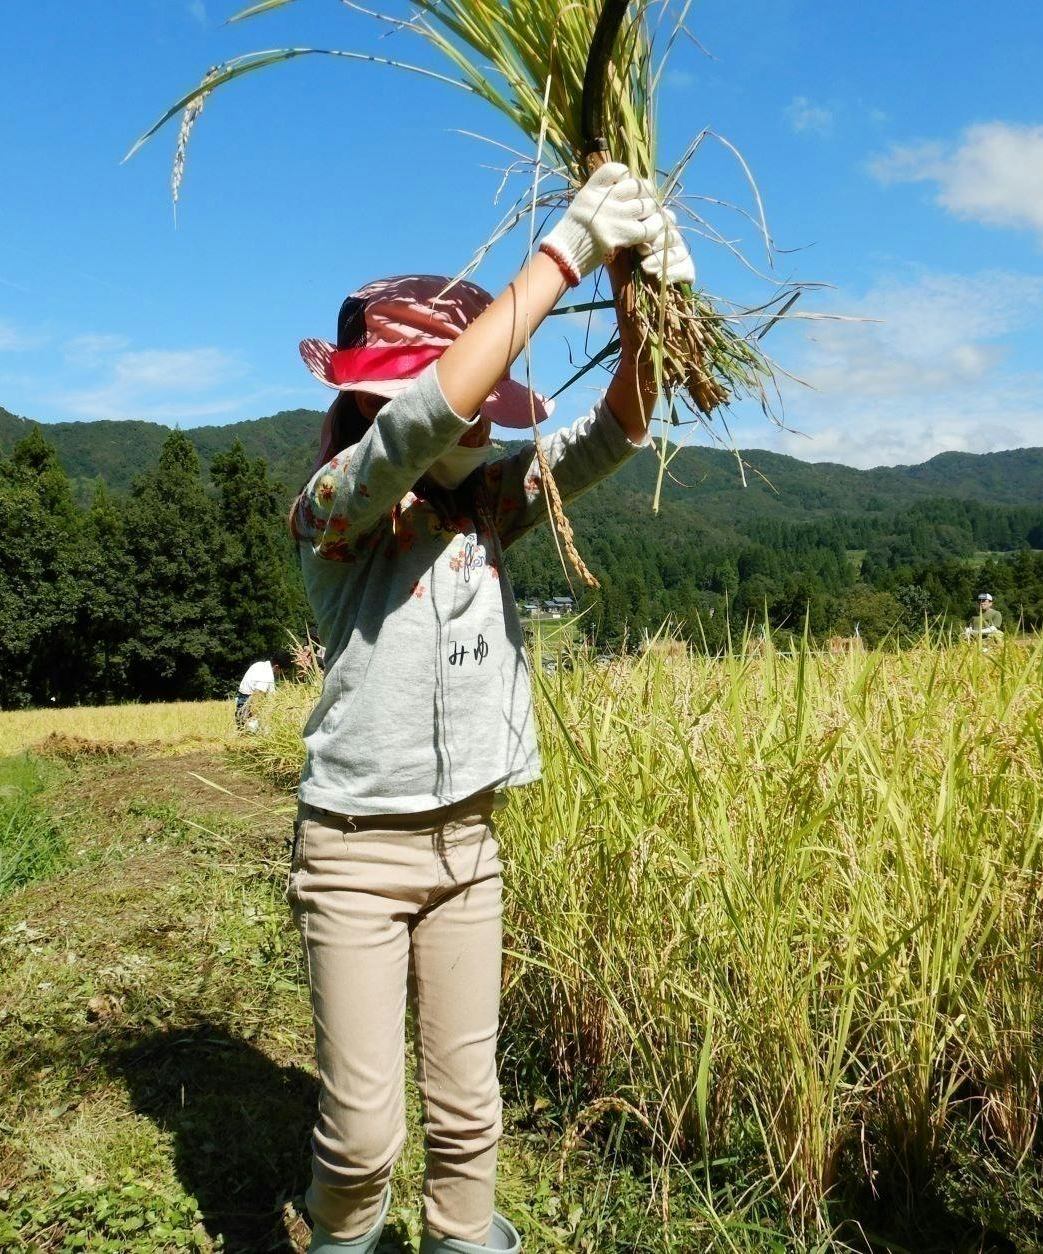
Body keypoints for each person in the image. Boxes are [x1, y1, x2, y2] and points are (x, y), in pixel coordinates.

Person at [285, 163, 688, 1254]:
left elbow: (617, 426)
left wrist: (644, 295)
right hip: (354, 858)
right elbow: (422, 423)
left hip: (468, 848)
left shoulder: (490, 507)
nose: (486, 420)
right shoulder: (335, 508)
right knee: (362, 1141)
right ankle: (337, 1234)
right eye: (476, 395)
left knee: (469, 1122)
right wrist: (565, 249)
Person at [235, 657, 279, 728]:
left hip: (241, 698)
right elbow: (255, 698)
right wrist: (254, 717)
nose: (280, 674)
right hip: (248, 704)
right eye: (283, 671)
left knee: (242, 730)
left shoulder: (259, 664)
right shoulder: (267, 675)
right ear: (277, 667)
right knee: (250, 731)